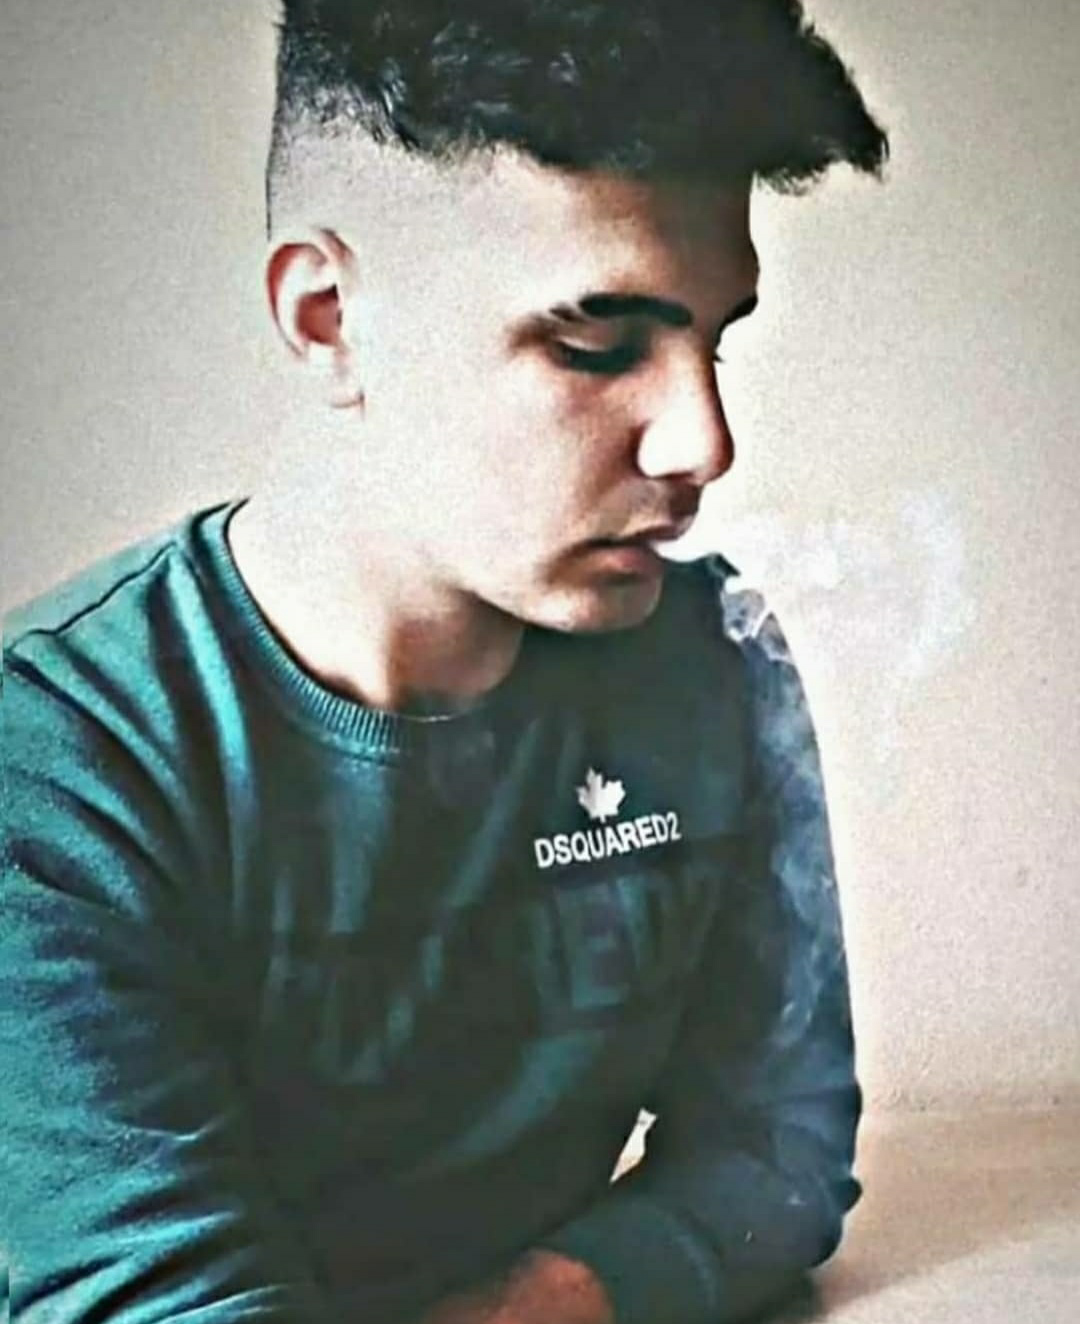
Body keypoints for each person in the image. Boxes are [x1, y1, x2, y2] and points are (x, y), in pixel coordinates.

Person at [1, 2, 888, 1321]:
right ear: (328, 318)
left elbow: (780, 1150)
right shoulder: (62, 766)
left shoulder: (714, 663)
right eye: (598, 343)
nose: (703, 441)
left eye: (715, 340)